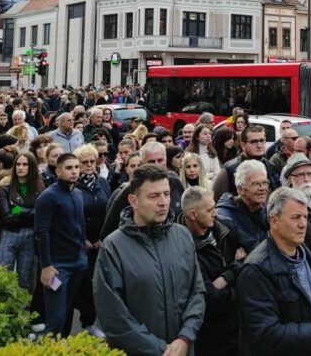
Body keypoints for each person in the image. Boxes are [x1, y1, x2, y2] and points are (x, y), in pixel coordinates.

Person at [93, 165, 205, 356]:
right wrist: (161, 350)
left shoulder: (183, 236)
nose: (163, 202)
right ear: (133, 201)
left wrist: (185, 338)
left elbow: (197, 291)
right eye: (154, 196)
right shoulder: (114, 247)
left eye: (167, 194)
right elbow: (113, 316)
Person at [237, 187, 311, 356]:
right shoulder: (256, 270)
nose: (303, 223)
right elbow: (266, 334)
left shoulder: (307, 256)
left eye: (305, 216)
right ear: (274, 221)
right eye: (296, 217)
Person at [180, 185, 241, 356]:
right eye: (210, 210)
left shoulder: (224, 228)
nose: (215, 213)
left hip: (237, 330)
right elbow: (211, 299)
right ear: (193, 215)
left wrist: (224, 279)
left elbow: (248, 260)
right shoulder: (183, 247)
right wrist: (234, 271)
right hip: (212, 339)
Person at [35, 152, 87, 337]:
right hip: (58, 268)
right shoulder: (47, 197)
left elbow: (80, 223)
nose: (74, 171)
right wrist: (47, 266)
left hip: (78, 263)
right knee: (55, 319)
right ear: (58, 171)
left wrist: (83, 248)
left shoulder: (78, 193)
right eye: (69, 168)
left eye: (76, 167)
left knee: (67, 313)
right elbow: (41, 233)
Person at [73, 143, 112, 337]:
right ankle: (87, 321)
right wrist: (83, 240)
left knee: (103, 281)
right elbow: (71, 216)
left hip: (101, 241)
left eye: (92, 161)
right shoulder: (73, 186)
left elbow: (110, 210)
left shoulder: (103, 182)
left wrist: (104, 237)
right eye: (84, 162)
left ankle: (101, 320)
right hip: (83, 243)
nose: (89, 165)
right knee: (86, 284)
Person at [0, 152, 43, 290]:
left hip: (30, 235)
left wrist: (18, 209)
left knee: (24, 280)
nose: (20, 167)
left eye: (25, 164)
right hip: (8, 234)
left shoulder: (39, 189)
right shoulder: (5, 189)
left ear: (32, 167)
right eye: (18, 164)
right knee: (2, 276)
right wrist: (28, 210)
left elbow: (39, 213)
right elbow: (7, 216)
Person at [212, 123, 278, 201]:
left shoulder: (271, 167)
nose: (259, 145)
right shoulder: (229, 169)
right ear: (243, 145)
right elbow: (218, 201)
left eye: (262, 140)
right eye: (254, 141)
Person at [216, 159, 269, 254]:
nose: (263, 188)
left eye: (265, 183)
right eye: (256, 184)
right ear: (241, 189)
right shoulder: (225, 218)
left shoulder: (265, 210)